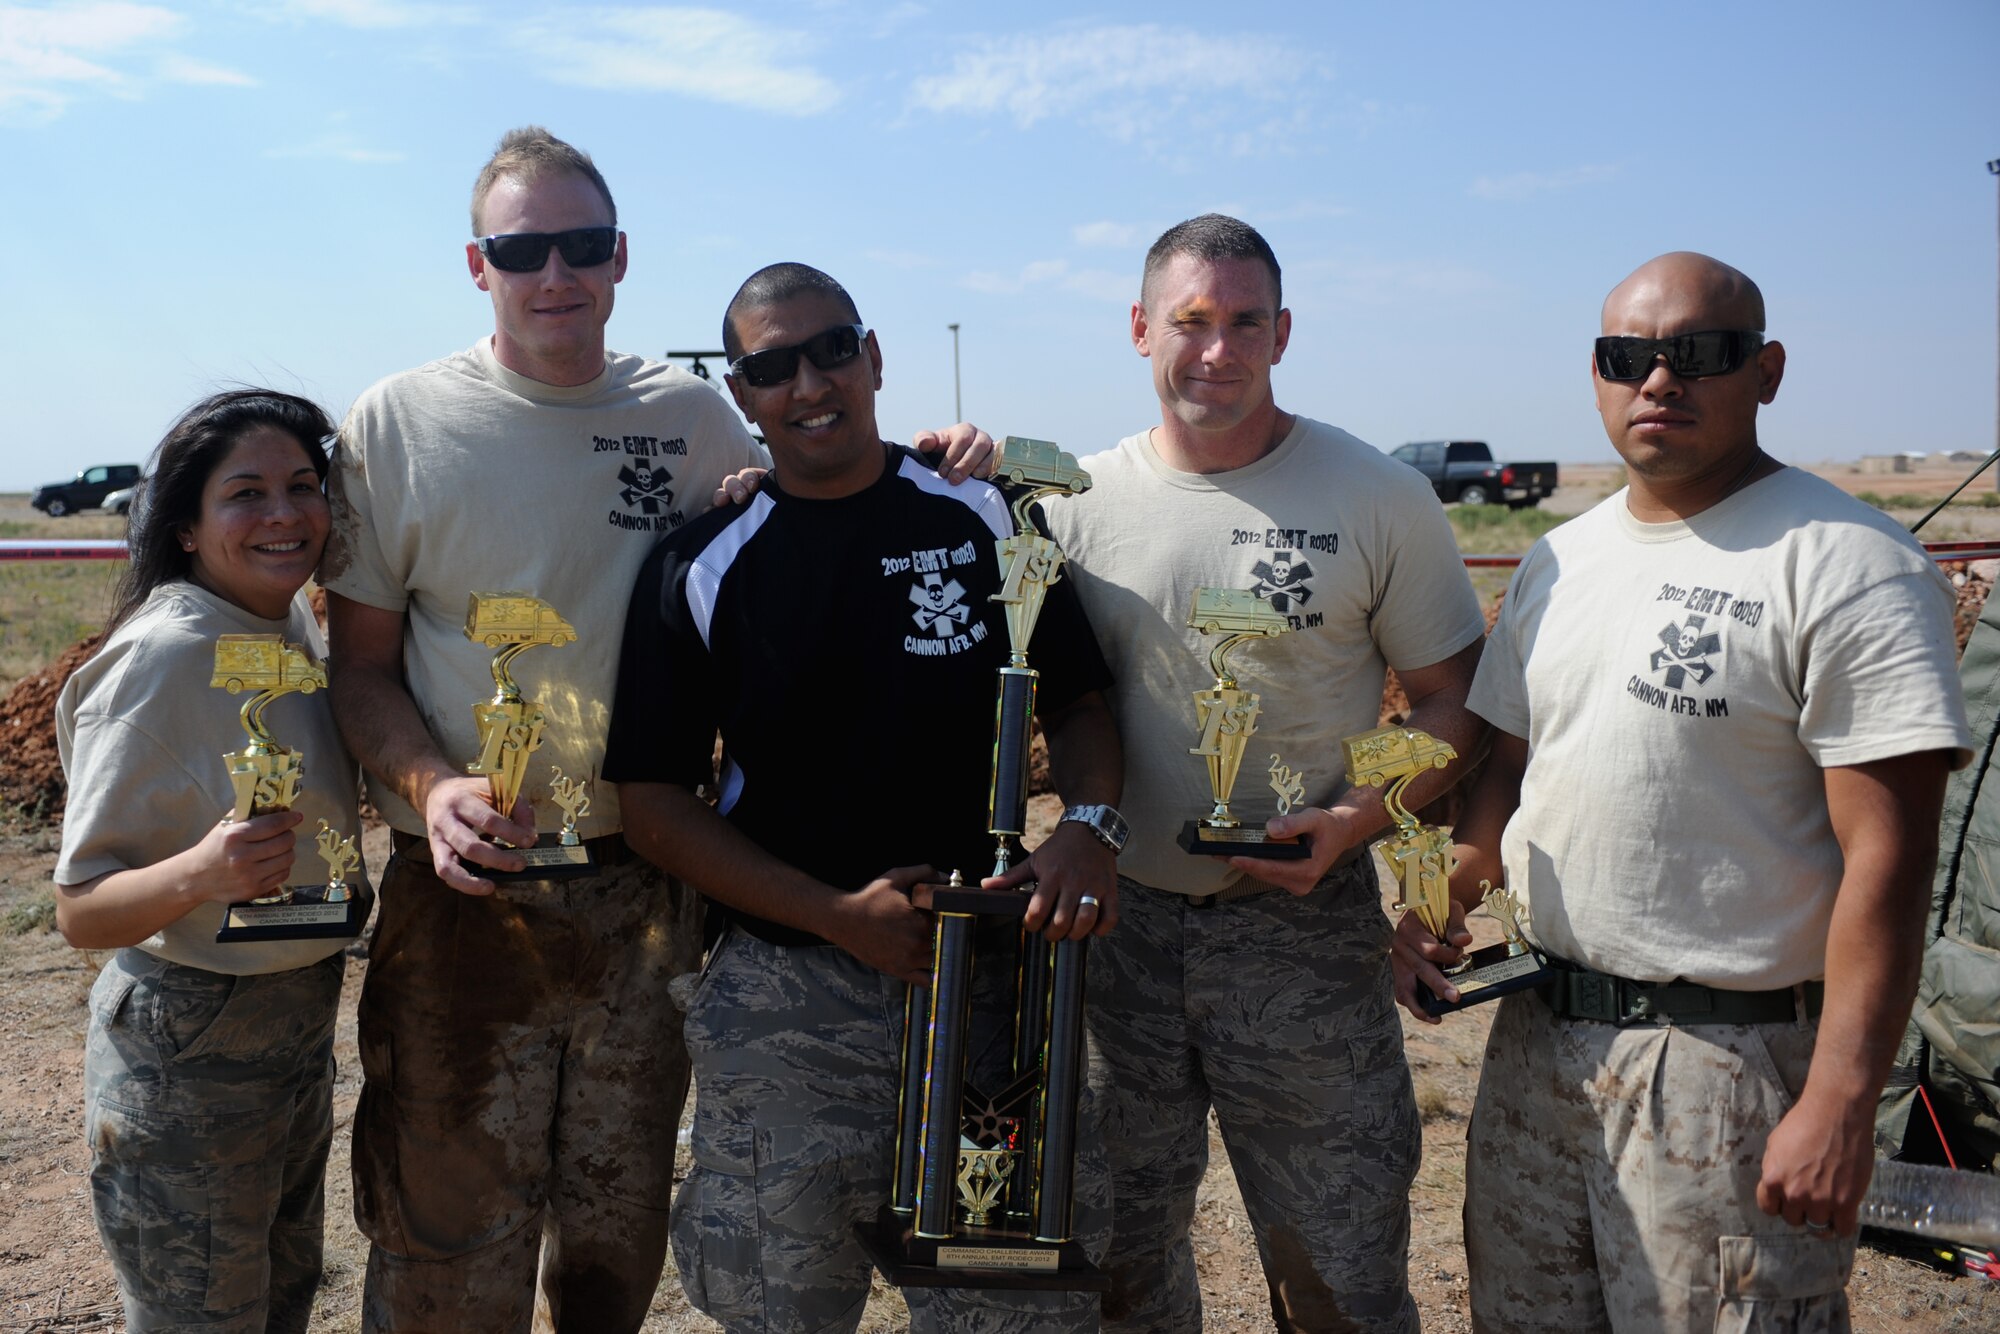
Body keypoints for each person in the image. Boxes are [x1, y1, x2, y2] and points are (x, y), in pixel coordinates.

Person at [323, 127, 994, 1334]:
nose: (555, 272)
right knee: (448, 1239)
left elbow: (814, 489)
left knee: (613, 1229)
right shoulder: (399, 422)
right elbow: (358, 670)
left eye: (582, 243)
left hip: (644, 892)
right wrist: (428, 786)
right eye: (523, 248)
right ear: (478, 264)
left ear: (620, 254)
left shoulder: (689, 416)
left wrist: (945, 460)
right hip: (467, 896)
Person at [1395, 252, 1974, 1332]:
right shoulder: (1554, 561)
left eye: (1696, 354)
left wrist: (1843, 1099)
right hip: (1536, 1041)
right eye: (1629, 357)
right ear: (1597, 372)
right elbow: (1511, 774)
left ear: (1765, 370)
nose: (1658, 380)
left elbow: (1885, 862)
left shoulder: (1848, 563)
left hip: (1726, 1064)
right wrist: (1443, 899)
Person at [605, 262, 1124, 1333]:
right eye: (771, 365)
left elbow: (1076, 701)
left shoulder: (987, 517)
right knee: (779, 1306)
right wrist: (834, 915)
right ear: (741, 394)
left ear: (873, 355)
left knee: (1001, 1302)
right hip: (785, 998)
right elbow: (654, 800)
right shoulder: (702, 562)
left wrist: (1084, 825)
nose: (809, 382)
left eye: (831, 348)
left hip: (984, 994)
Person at [1017, 214, 1489, 1332]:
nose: (1215, 349)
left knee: (1340, 1265)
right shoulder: (1067, 507)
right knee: (1119, 1257)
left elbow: (1454, 698)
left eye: (1243, 322)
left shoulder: (1372, 494)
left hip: (1303, 930)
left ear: (1282, 332)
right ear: (1140, 330)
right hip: (1113, 929)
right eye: (1189, 320)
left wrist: (1352, 820)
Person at [54, 389, 361, 1334]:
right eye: (246, 493)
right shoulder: (166, 656)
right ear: (184, 526)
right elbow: (81, 911)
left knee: (273, 1306)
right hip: (188, 1044)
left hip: (293, 1025)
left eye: (303, 485)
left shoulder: (284, 627)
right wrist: (202, 872)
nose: (283, 513)